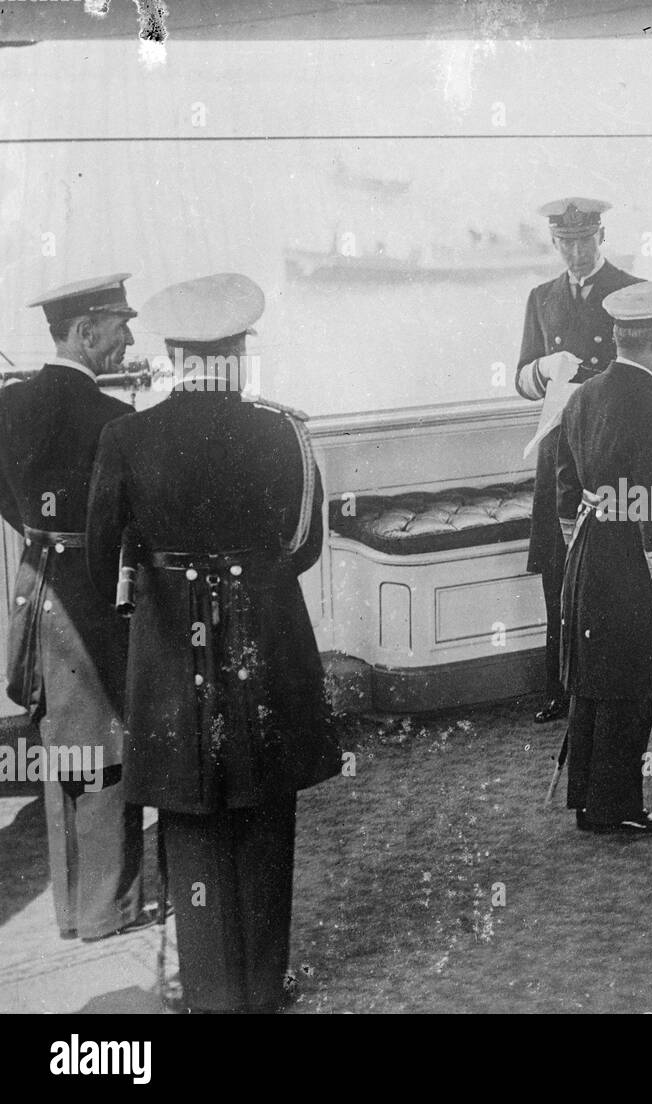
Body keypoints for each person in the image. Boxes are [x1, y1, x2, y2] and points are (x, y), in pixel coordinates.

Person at [86, 273, 340, 1012]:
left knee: (192, 820)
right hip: (266, 645)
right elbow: (305, 545)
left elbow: (105, 562)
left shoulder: (125, 436)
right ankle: (262, 987)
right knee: (265, 814)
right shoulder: (282, 430)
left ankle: (210, 992)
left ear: (172, 353)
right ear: (239, 349)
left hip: (170, 652)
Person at [0, 274, 146, 942]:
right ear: (86, 332)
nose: (131, 339)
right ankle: (105, 912)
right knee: (107, 746)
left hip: (38, 586)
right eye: (121, 326)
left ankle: (70, 910)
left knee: (63, 745)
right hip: (95, 588)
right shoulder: (116, 421)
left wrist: (43, 531)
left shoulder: (9, 407)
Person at [516, 197, 652, 725]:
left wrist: (598, 390)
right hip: (559, 451)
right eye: (566, 242)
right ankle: (561, 684)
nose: (577, 251)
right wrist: (543, 369)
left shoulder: (632, 294)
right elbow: (519, 378)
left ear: (601, 236)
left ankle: (607, 682)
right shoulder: (541, 298)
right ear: (555, 243)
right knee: (560, 573)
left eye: (586, 241)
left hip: (612, 456)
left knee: (614, 577)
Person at [554, 281, 652, 834]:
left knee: (593, 682)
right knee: (631, 689)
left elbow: (564, 487)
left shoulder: (582, 395)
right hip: (634, 561)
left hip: (588, 552)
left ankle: (588, 803)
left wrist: (578, 546)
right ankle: (619, 810)